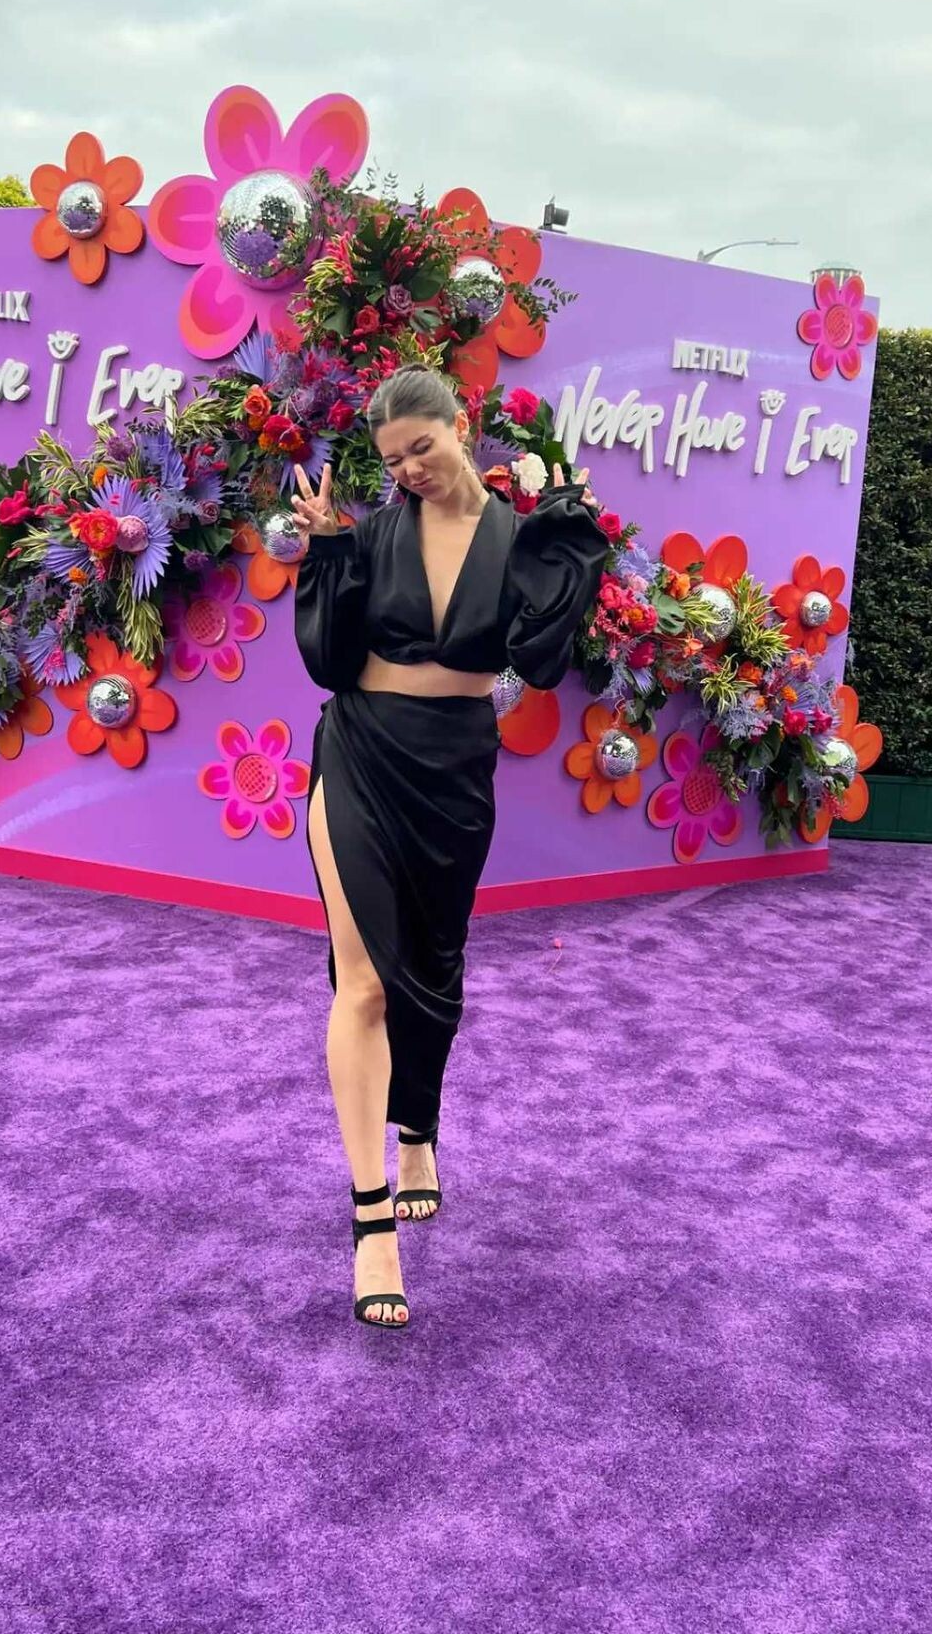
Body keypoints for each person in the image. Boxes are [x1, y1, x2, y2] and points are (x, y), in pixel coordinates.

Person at [290, 365, 609, 1330]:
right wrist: (329, 552)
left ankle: (418, 1128)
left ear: (461, 426)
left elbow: (541, 659)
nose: (410, 470)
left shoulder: (514, 537)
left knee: (432, 968)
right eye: (393, 460)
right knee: (363, 983)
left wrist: (568, 544)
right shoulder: (370, 535)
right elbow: (327, 663)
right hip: (358, 753)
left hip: (455, 769)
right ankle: (371, 1221)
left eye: (422, 447)